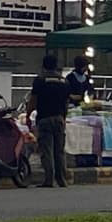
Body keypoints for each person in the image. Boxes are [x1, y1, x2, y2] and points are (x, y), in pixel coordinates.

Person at [26, 53, 71, 188]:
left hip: (45, 118)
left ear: (43, 66)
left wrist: (28, 115)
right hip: (59, 118)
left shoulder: (40, 80)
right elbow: (67, 102)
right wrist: (64, 117)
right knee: (59, 150)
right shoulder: (64, 81)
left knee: (47, 150)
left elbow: (34, 100)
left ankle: (48, 179)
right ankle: (62, 179)